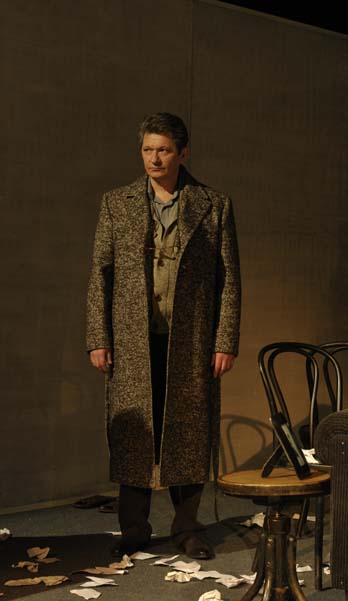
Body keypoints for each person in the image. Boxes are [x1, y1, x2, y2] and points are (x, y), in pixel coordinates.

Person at [86, 112, 241, 559]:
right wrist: (98, 336)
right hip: (133, 337)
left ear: (182, 153)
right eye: (148, 150)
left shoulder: (213, 205)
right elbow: (100, 273)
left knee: (187, 432)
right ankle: (134, 529)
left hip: (190, 339)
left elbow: (228, 278)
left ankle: (187, 529)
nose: (154, 159)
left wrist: (224, 340)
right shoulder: (117, 203)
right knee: (134, 432)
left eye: (164, 150)